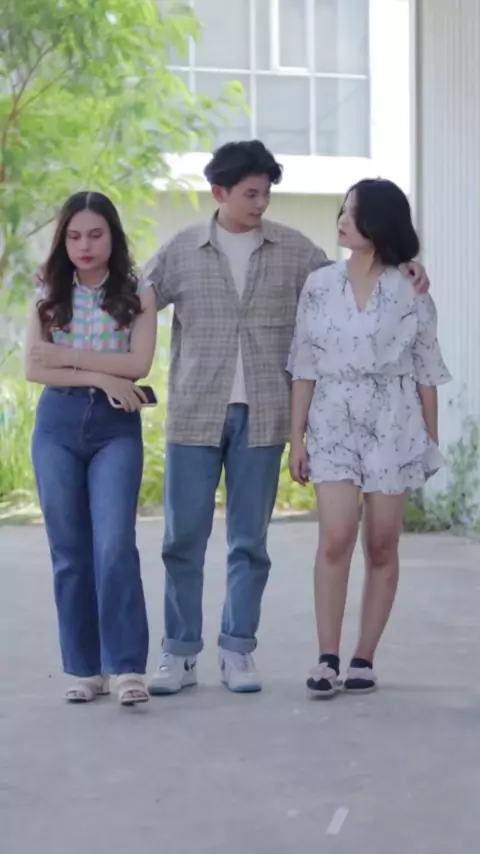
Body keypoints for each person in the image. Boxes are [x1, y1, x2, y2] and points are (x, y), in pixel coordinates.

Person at [142, 140, 430, 696]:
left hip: (264, 417)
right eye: (251, 194)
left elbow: (359, 284)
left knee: (249, 543)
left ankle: (237, 650)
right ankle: (179, 653)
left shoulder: (297, 252)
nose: (262, 204)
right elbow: (130, 299)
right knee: (182, 540)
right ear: (219, 192)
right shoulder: (181, 250)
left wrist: (408, 266)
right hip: (195, 415)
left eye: (267, 193)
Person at [288, 178, 451, 698]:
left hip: (393, 420)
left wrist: (429, 441)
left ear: (379, 222)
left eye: (353, 212)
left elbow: (426, 371)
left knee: (382, 542)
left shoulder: (410, 289)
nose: (342, 219)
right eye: (341, 209)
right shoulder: (319, 285)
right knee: (335, 537)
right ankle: (326, 657)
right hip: (332, 416)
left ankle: (363, 657)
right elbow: (303, 364)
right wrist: (297, 438)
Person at [25, 191, 157, 705]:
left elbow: (139, 364)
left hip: (115, 427)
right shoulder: (47, 289)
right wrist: (102, 374)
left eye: (96, 234)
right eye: (75, 236)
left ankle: (126, 668)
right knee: (69, 550)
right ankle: (84, 670)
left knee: (114, 545)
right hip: (56, 425)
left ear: (112, 237)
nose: (85, 245)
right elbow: (35, 367)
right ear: (63, 240)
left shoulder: (138, 292)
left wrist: (67, 356)